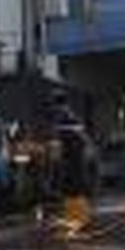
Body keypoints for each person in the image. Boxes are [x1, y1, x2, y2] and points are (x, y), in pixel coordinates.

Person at [51, 92, 91, 236]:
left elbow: (66, 140)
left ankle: (79, 220)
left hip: (72, 159)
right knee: (71, 188)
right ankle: (74, 219)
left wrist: (59, 156)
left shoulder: (65, 117)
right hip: (73, 158)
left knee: (74, 188)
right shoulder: (69, 116)